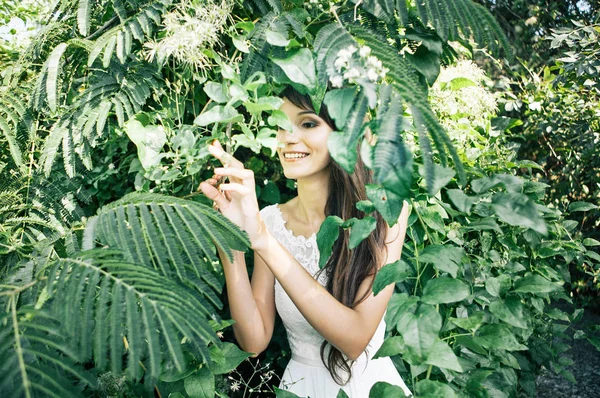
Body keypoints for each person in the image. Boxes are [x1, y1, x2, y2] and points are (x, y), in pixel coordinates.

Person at [199, 86, 412, 397]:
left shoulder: (385, 212)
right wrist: (230, 240)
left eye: (308, 123)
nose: (288, 138)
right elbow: (254, 340)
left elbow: (355, 340)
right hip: (300, 388)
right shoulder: (271, 220)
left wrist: (263, 241)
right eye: (280, 126)